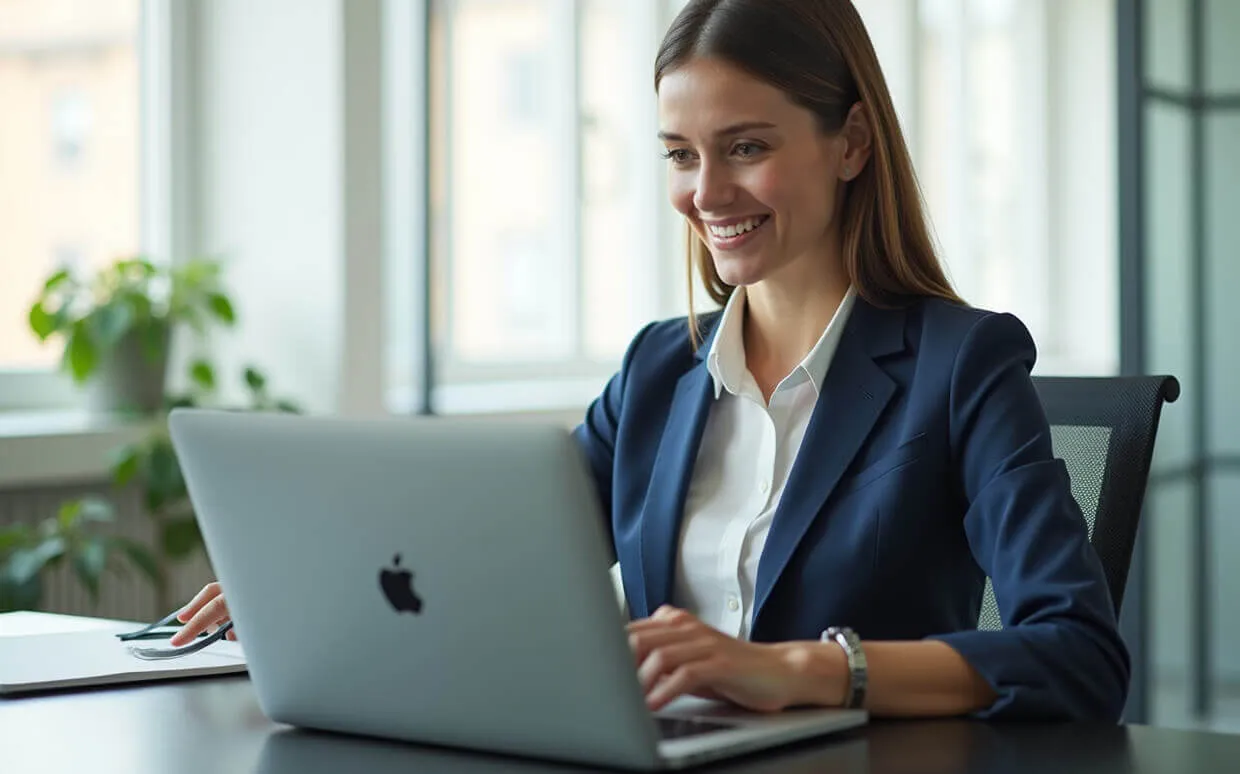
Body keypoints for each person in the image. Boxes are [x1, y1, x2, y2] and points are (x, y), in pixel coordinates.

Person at [171, 0, 1128, 722]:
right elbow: (497, 568)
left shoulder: (960, 363)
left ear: (852, 143)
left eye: (745, 147)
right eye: (680, 154)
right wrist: (312, 594)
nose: (706, 193)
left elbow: (1075, 652)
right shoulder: (658, 373)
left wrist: (803, 670)